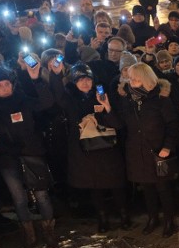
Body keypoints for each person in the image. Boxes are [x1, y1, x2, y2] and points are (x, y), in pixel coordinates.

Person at [0, 60, 57, 248]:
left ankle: (49, 232)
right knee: (19, 198)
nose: (5, 88)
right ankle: (29, 235)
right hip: (7, 160)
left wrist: (37, 80)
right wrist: (4, 147)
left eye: (7, 84)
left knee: (42, 194)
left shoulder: (22, 100)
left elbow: (46, 103)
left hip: (32, 153)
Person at [96, 63, 179, 237]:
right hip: (136, 149)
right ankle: (152, 218)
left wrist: (167, 146)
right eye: (130, 77)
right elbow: (119, 124)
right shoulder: (128, 100)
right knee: (146, 187)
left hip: (157, 150)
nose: (131, 81)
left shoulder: (160, 99)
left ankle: (170, 221)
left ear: (145, 79)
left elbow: (172, 124)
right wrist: (107, 107)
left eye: (135, 78)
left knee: (163, 188)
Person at [48, 62, 130, 233]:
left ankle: (124, 214)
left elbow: (117, 123)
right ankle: (102, 217)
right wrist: (55, 75)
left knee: (116, 183)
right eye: (80, 80)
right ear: (74, 82)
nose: (85, 83)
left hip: (107, 147)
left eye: (88, 79)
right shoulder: (70, 100)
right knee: (95, 185)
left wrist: (106, 108)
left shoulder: (102, 95)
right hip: (85, 150)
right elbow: (58, 95)